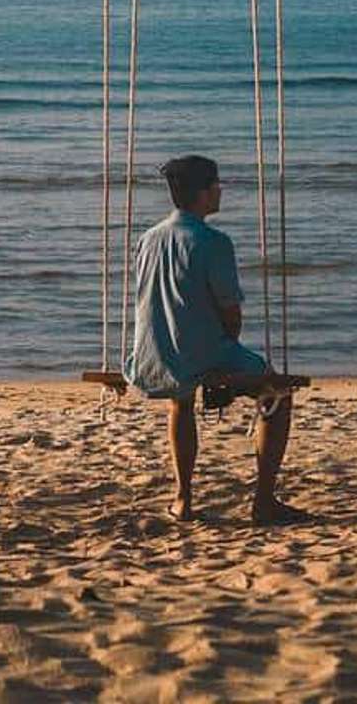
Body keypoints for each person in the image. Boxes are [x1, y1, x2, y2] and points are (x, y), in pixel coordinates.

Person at [124, 153, 304, 525]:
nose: (221, 191)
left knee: (181, 402)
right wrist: (223, 356)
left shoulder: (146, 239)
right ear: (204, 194)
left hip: (150, 355)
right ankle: (264, 502)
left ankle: (183, 500)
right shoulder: (213, 241)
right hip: (200, 355)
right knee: (276, 394)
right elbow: (231, 315)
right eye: (217, 185)